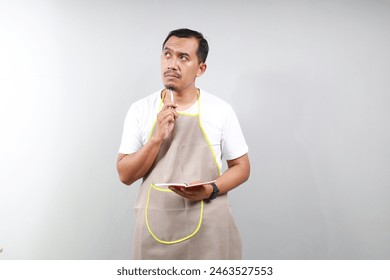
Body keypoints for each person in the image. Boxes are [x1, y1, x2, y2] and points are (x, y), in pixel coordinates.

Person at [117, 28, 250, 259]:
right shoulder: (141, 110)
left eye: (183, 57)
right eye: (167, 55)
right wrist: (157, 138)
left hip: (210, 228)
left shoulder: (220, 110)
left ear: (201, 68)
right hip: (155, 225)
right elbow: (125, 175)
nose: (172, 64)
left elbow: (242, 167)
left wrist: (211, 189)